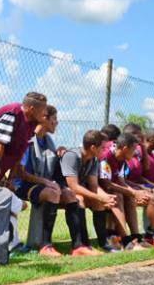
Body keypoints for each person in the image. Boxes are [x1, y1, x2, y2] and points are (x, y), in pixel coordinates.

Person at [16, 106, 99, 256]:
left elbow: (49, 164)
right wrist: (46, 182)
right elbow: (19, 172)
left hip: (43, 185)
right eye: (54, 119)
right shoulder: (28, 140)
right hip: (23, 185)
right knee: (52, 193)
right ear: (44, 119)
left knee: (71, 196)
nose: (57, 122)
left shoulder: (48, 140)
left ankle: (78, 246)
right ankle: (45, 245)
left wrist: (59, 152)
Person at [60, 130, 120, 253]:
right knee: (80, 199)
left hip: (75, 191)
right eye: (102, 148)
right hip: (60, 190)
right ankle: (83, 244)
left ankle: (103, 243)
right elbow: (74, 187)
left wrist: (106, 197)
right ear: (93, 147)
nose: (105, 151)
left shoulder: (94, 159)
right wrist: (99, 197)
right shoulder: (72, 156)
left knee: (98, 202)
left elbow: (93, 185)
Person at [123, 125, 154, 247]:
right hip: (127, 188)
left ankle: (151, 235)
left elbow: (142, 172)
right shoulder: (128, 153)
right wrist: (143, 188)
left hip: (137, 185)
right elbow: (123, 178)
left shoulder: (140, 152)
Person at [98, 133, 150, 250]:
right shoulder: (106, 157)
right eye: (133, 150)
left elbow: (121, 180)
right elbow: (107, 184)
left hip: (109, 189)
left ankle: (136, 237)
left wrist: (135, 193)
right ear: (125, 148)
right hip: (97, 190)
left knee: (129, 196)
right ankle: (126, 241)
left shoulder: (121, 158)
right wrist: (134, 192)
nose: (135, 153)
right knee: (118, 196)